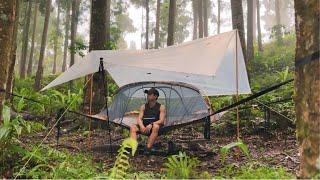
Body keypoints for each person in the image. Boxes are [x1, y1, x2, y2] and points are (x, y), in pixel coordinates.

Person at [129, 87, 166, 151]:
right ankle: (134, 148)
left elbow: (161, 121)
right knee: (133, 127)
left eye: (149, 94)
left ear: (155, 96)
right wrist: (142, 126)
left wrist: (151, 124)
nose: (147, 96)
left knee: (156, 126)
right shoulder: (143, 107)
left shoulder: (161, 107)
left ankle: (148, 148)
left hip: (154, 128)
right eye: (147, 94)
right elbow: (139, 118)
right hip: (144, 127)